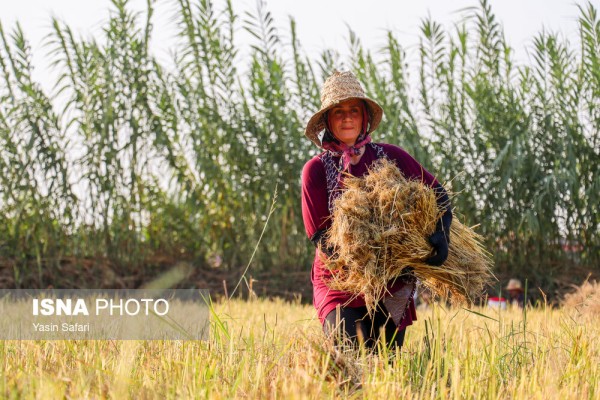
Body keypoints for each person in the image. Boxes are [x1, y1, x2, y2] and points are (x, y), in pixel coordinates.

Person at [301, 71, 452, 350]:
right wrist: (368, 259)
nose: (347, 118)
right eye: (339, 112)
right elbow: (321, 237)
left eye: (354, 111)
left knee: (386, 364)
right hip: (340, 282)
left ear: (364, 118)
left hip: (394, 283)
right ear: (328, 121)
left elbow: (438, 195)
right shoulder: (316, 170)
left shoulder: (390, 156)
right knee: (348, 354)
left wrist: (442, 235)